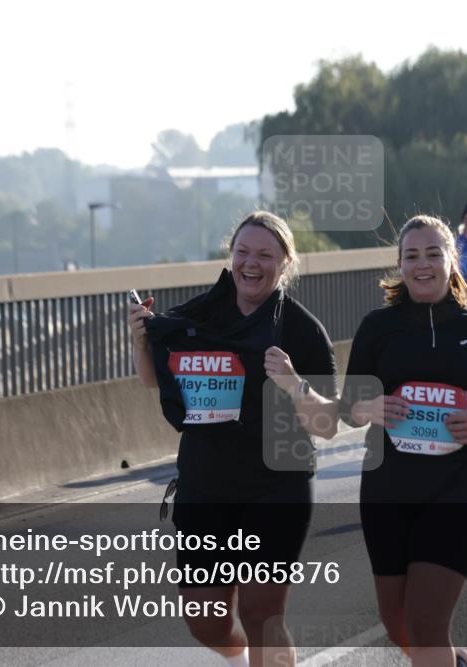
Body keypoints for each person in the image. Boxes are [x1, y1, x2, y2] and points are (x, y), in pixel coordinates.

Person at [128, 211, 339, 667]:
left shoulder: (303, 329)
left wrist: (294, 383)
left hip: (277, 485)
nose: (251, 263)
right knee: (204, 620)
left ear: (286, 263)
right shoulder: (201, 315)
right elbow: (153, 381)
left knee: (262, 614)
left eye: (265, 255)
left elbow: (327, 425)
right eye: (242, 252)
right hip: (206, 484)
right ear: (231, 255)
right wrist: (141, 340)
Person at [339, 215, 467, 667]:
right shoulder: (377, 327)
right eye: (412, 255)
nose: (422, 264)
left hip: (460, 484)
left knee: (425, 626)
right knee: (396, 623)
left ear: (451, 260)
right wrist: (370, 409)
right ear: (400, 265)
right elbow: (348, 408)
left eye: (433, 254)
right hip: (388, 487)